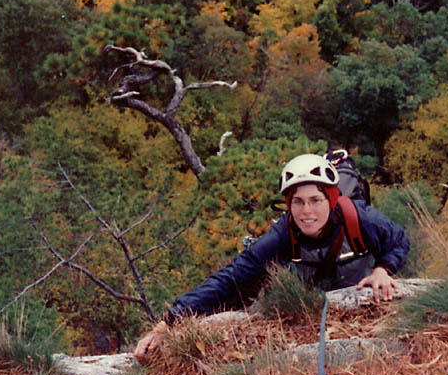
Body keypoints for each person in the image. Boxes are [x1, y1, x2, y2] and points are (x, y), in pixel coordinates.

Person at [134, 153, 409, 361]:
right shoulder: (281, 234)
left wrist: (383, 270)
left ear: (332, 199)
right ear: (288, 205)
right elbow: (231, 278)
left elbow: (398, 240)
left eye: (315, 200)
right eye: (297, 202)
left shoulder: (359, 217)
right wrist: (168, 322)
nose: (306, 212)